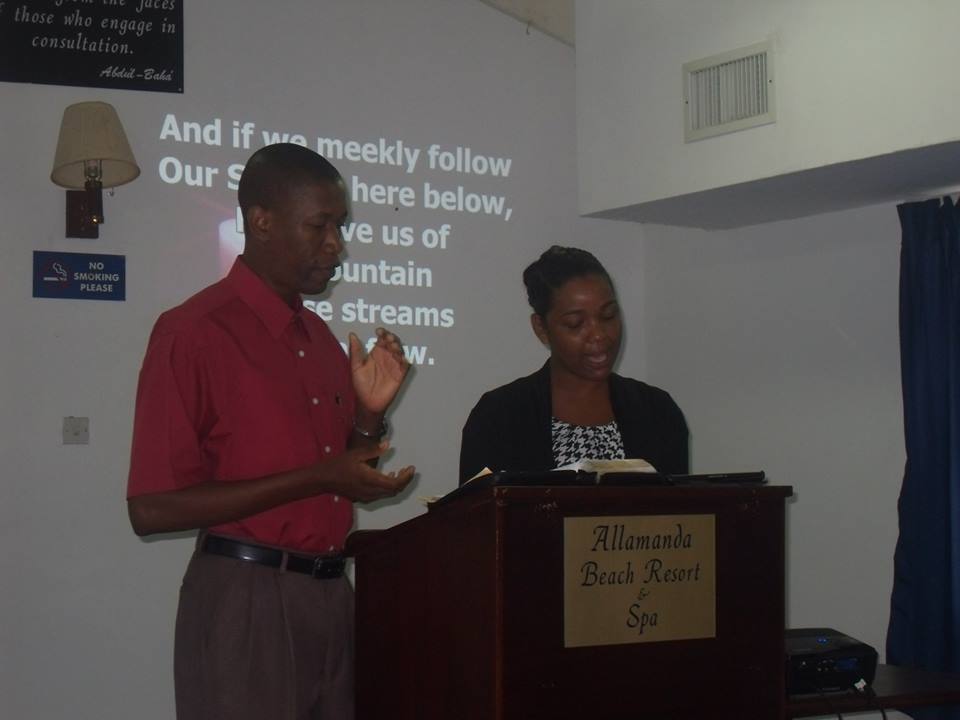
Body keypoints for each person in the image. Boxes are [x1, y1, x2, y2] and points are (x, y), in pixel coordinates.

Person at [126, 143, 415, 720]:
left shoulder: (321, 340)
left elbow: (343, 481)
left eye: (340, 225)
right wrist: (317, 477)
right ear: (261, 222)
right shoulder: (193, 332)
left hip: (331, 595)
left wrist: (369, 415)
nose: (336, 244)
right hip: (245, 598)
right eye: (319, 225)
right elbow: (150, 509)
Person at [459, 245, 688, 484]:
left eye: (608, 316)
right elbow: (476, 507)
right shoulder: (499, 417)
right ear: (541, 328)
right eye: (575, 323)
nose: (598, 335)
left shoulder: (658, 412)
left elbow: (680, 505)